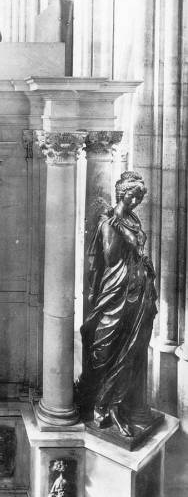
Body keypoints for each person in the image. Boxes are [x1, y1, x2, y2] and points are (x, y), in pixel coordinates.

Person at [75, 171, 157, 437]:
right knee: (106, 349)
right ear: (123, 193)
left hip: (137, 291)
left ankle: (118, 406)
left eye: (140, 197)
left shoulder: (130, 218)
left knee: (131, 349)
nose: (137, 201)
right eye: (134, 196)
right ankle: (101, 405)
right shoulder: (110, 222)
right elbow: (109, 259)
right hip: (116, 291)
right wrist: (126, 236)